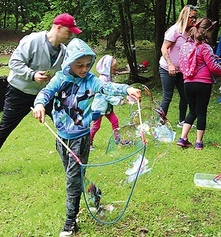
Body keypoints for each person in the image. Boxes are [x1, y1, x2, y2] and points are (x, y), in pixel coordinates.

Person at [32, 38, 142, 237]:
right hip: (61, 138)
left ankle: (70, 223)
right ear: (69, 63)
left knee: (72, 180)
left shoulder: (91, 80)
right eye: (79, 65)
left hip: (80, 139)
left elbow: (107, 87)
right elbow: (46, 92)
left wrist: (127, 89)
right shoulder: (60, 79)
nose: (84, 69)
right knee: (76, 176)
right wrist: (40, 104)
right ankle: (96, 196)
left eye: (87, 65)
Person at [0, 13, 82, 176]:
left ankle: (71, 158)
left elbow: (64, 73)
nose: (71, 35)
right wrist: (32, 75)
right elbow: (14, 63)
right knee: (6, 127)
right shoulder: (33, 40)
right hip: (19, 92)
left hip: (44, 94)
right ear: (59, 28)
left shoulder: (63, 50)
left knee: (62, 121)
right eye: (69, 31)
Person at [176, 18, 221, 150]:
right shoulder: (205, 47)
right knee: (201, 112)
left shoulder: (185, 46)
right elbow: (214, 68)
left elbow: (183, 64)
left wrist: (211, 58)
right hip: (203, 84)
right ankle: (198, 142)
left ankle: (183, 138)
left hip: (187, 84)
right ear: (207, 32)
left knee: (192, 111)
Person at [158, 4, 197, 128]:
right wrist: (170, 64)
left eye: (195, 17)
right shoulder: (175, 30)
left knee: (185, 96)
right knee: (167, 97)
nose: (194, 20)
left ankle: (182, 121)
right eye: (192, 17)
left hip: (182, 71)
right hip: (167, 68)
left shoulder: (191, 32)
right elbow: (164, 48)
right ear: (185, 16)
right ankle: (159, 123)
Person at [90, 55, 123, 150]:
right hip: (99, 108)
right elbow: (107, 95)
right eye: (113, 69)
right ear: (107, 67)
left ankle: (117, 139)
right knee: (96, 126)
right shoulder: (102, 80)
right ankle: (88, 143)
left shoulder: (108, 78)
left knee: (115, 121)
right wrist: (118, 101)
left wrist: (120, 96)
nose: (114, 71)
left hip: (107, 108)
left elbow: (113, 90)